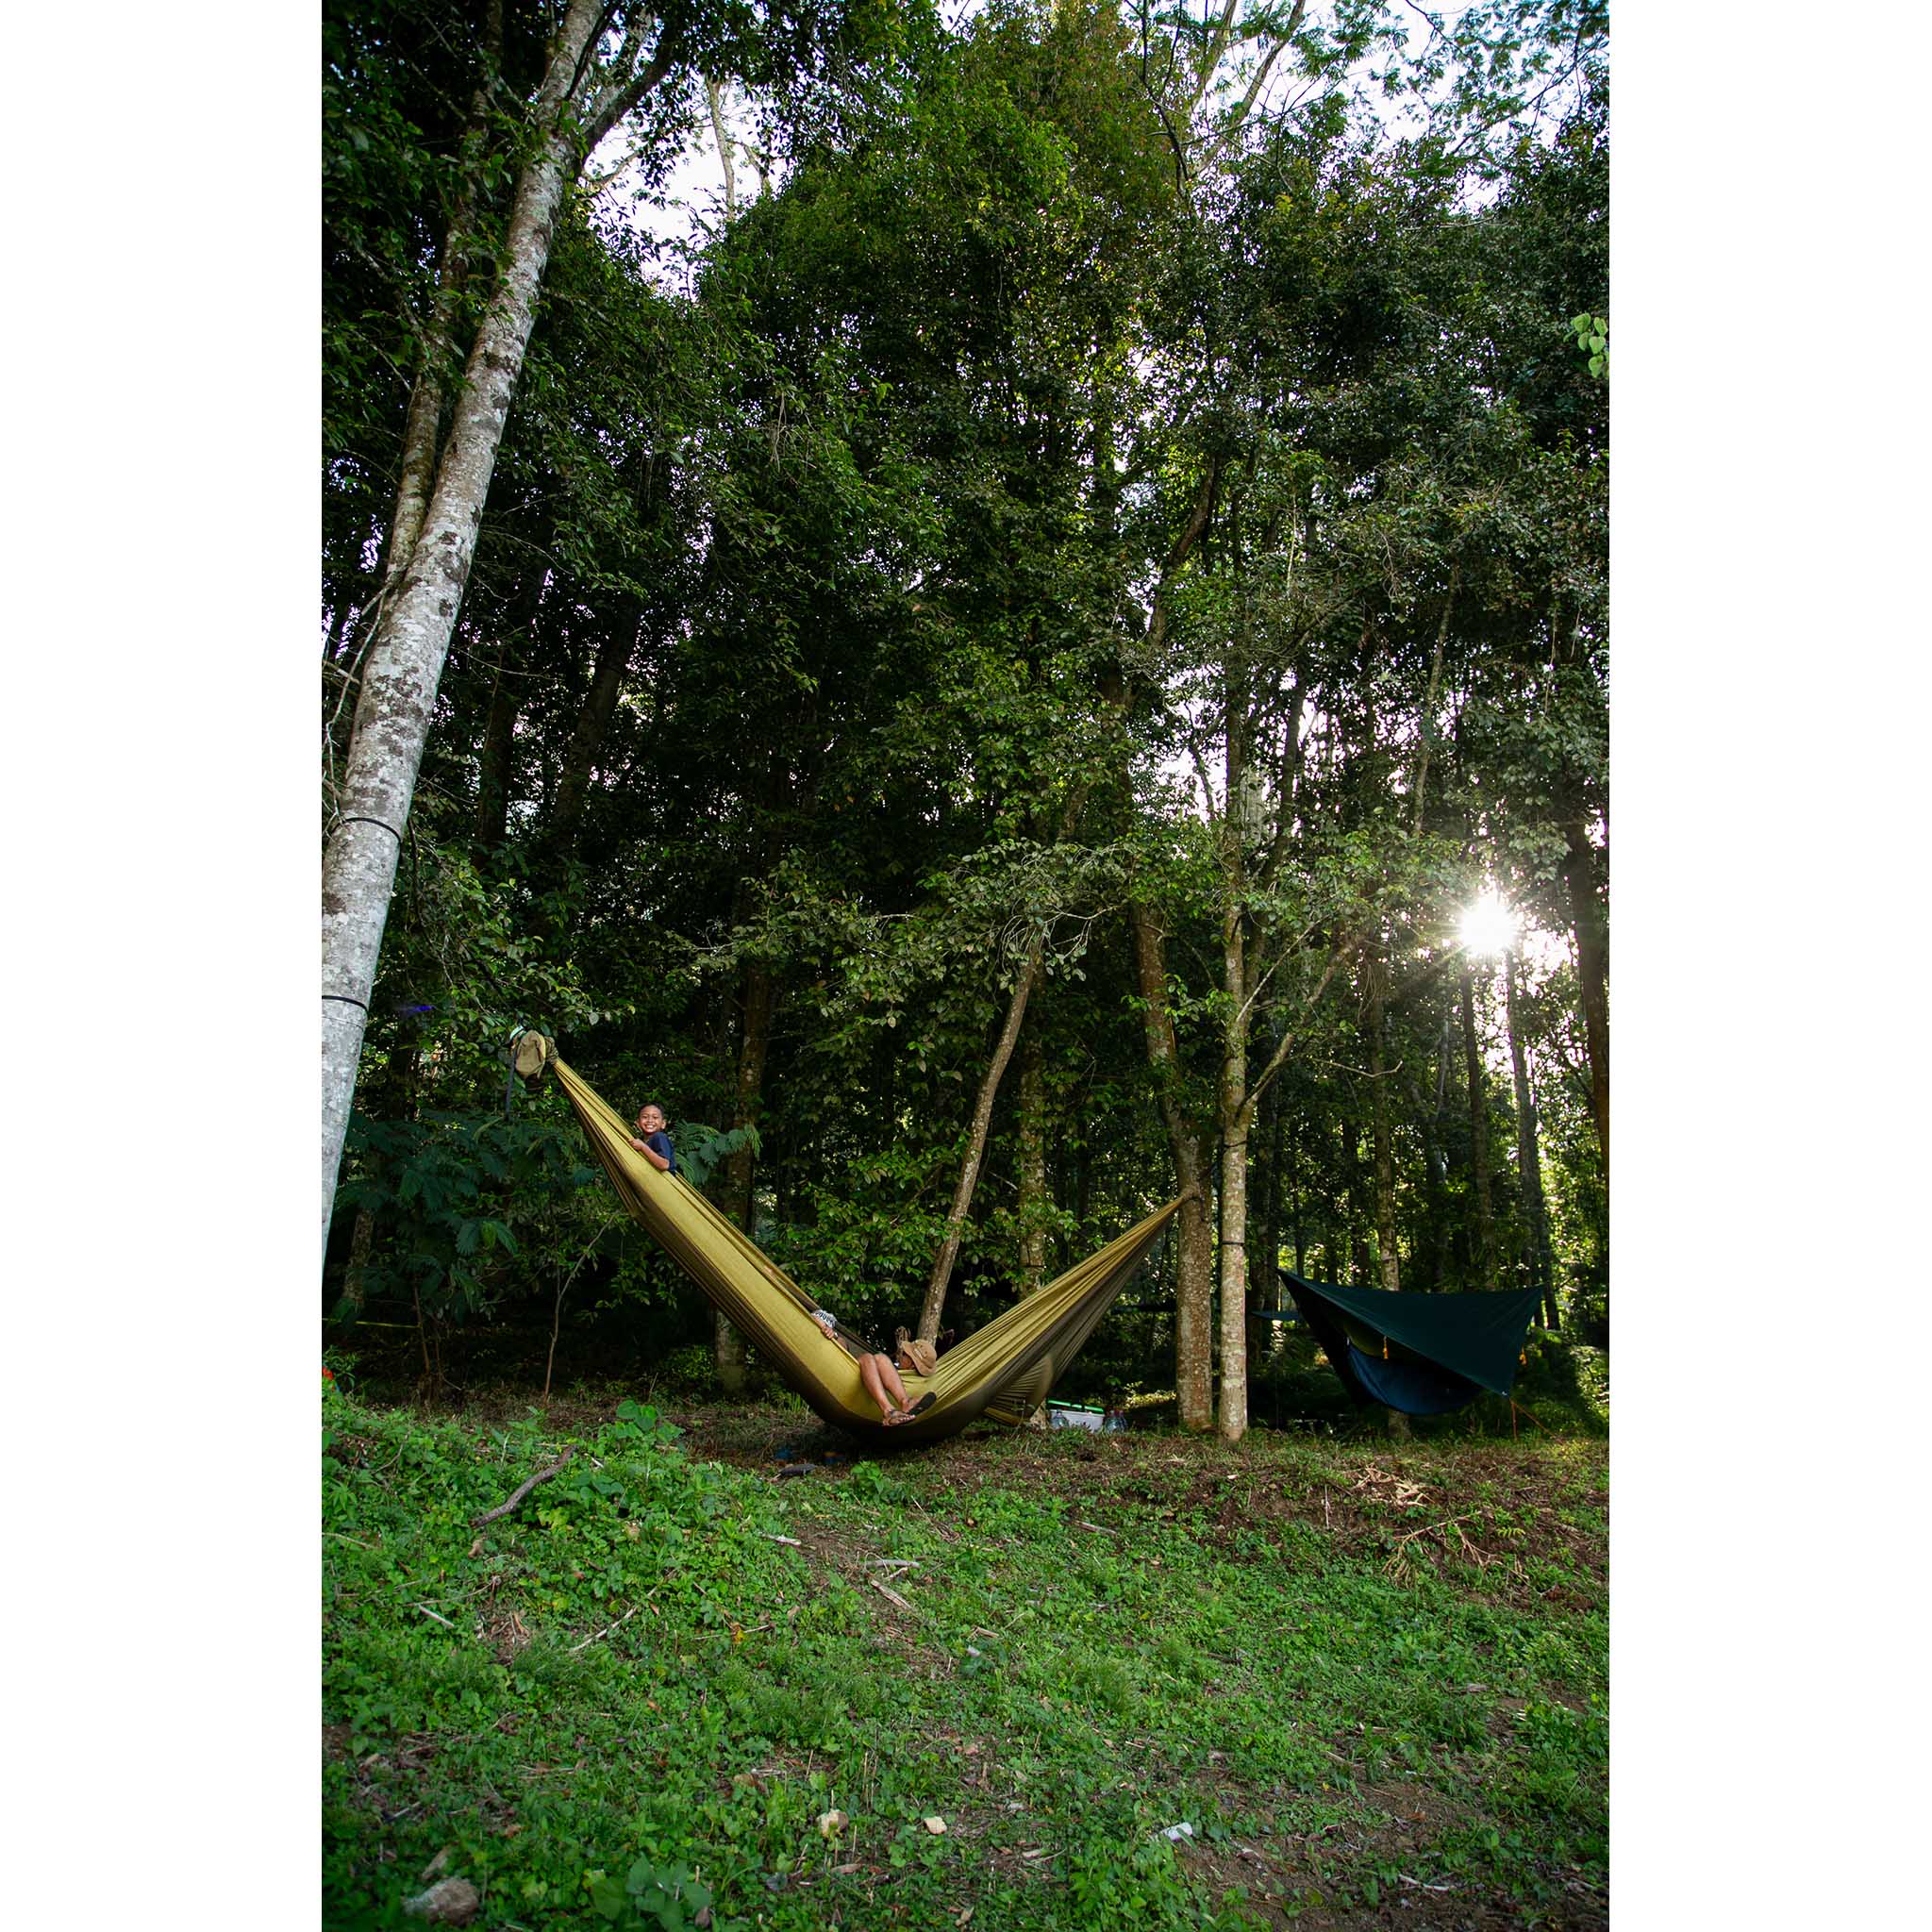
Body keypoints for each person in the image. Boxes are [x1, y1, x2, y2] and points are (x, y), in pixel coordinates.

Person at [809, 1308, 935, 1426]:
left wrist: (835, 1336)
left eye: (906, 1355)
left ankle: (905, 1402)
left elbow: (842, 1344)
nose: (902, 1355)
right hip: (838, 1382)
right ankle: (889, 1411)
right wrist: (820, 1325)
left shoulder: (836, 1339)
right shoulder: (807, 1341)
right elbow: (811, 1321)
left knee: (880, 1358)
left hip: (854, 1378)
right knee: (868, 1358)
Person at [629, 1104, 676, 1174]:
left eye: (655, 1117)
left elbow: (664, 1165)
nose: (650, 1120)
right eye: (645, 1117)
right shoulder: (640, 1140)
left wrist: (643, 1147)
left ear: (663, 1123)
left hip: (664, 1179)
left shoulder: (659, 1137)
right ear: (638, 1123)